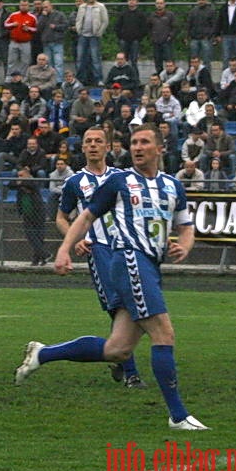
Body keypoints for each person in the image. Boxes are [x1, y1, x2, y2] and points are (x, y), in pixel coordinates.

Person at [16, 124, 209, 431]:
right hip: (129, 259)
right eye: (134, 142)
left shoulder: (173, 186)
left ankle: (43, 353)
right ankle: (178, 415)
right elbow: (86, 216)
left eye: (145, 142)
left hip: (150, 266)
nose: (138, 147)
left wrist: (184, 246)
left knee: (117, 349)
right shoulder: (120, 181)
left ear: (160, 148)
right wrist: (65, 249)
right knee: (164, 333)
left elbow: (186, 226)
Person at [56, 126, 145, 387]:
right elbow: (62, 218)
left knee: (133, 306)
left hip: (127, 248)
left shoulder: (123, 178)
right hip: (99, 250)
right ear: (82, 147)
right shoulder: (75, 183)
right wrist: (76, 240)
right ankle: (131, 372)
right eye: (88, 141)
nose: (93, 145)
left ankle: (118, 356)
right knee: (119, 307)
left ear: (108, 147)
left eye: (98, 141)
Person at [12, 167, 49, 266]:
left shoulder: (33, 182)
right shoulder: (20, 185)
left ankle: (39, 258)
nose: (19, 178)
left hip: (37, 212)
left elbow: (30, 185)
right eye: (18, 176)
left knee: (38, 236)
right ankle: (42, 256)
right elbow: (10, 185)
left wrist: (21, 183)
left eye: (21, 176)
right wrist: (19, 183)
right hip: (26, 213)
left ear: (27, 175)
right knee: (30, 235)